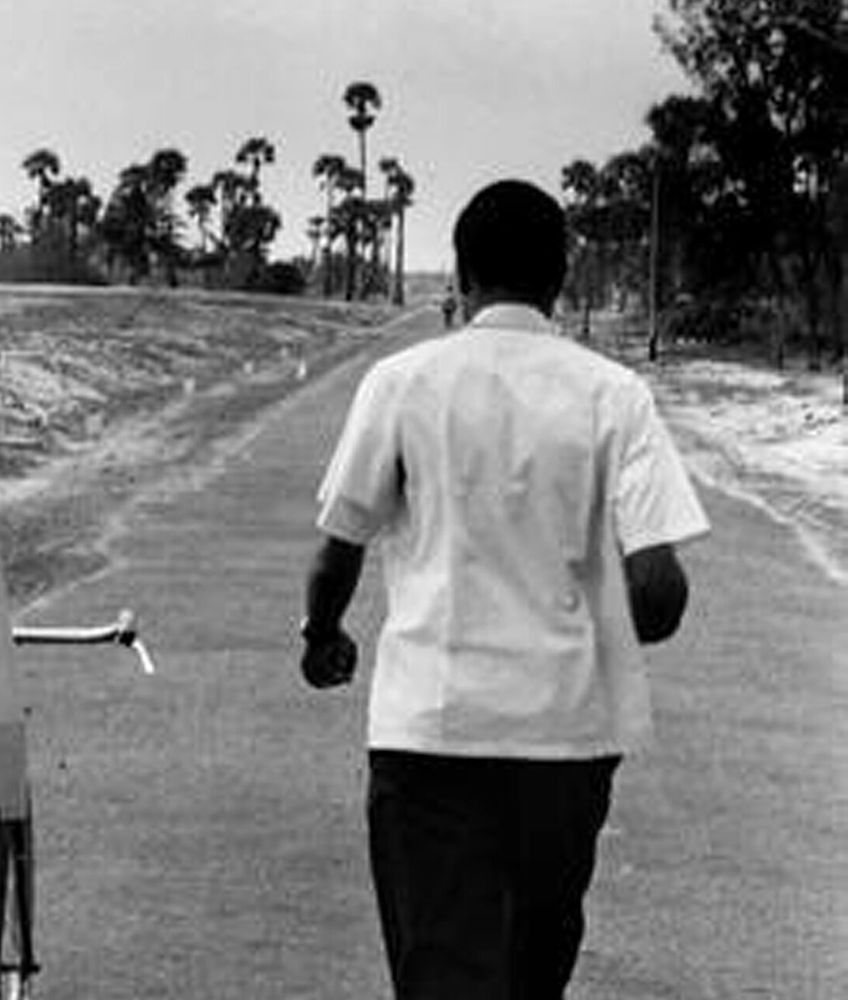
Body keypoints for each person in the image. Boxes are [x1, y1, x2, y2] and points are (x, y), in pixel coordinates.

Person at [299, 179, 709, 999]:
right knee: (532, 971)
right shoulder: (613, 395)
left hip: (431, 731)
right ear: (561, 277)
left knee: (442, 969)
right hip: (565, 740)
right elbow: (659, 592)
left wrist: (322, 634)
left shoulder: (402, 381)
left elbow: (338, 545)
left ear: (461, 272)